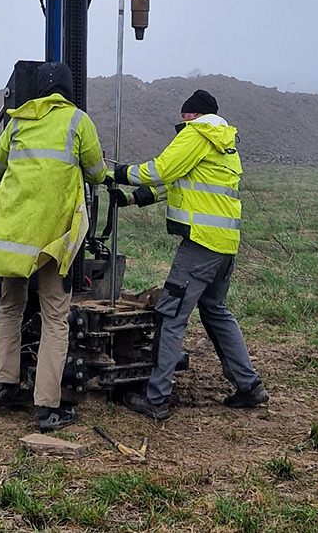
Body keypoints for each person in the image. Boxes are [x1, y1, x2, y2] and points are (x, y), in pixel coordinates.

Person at [0, 61, 106, 432]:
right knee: (56, 319)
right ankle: (47, 407)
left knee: (9, 307)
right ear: (68, 90)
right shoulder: (78, 121)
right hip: (52, 240)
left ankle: (2, 386)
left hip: (13, 239)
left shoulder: (17, 121)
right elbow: (96, 172)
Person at [111, 88, 266, 420]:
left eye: (184, 117)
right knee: (216, 311)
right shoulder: (222, 142)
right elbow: (179, 182)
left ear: (193, 115)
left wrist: (118, 174)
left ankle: (156, 399)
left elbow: (161, 171)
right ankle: (249, 386)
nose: (180, 123)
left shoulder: (196, 134)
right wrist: (132, 199)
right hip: (225, 246)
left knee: (171, 315)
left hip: (200, 245)